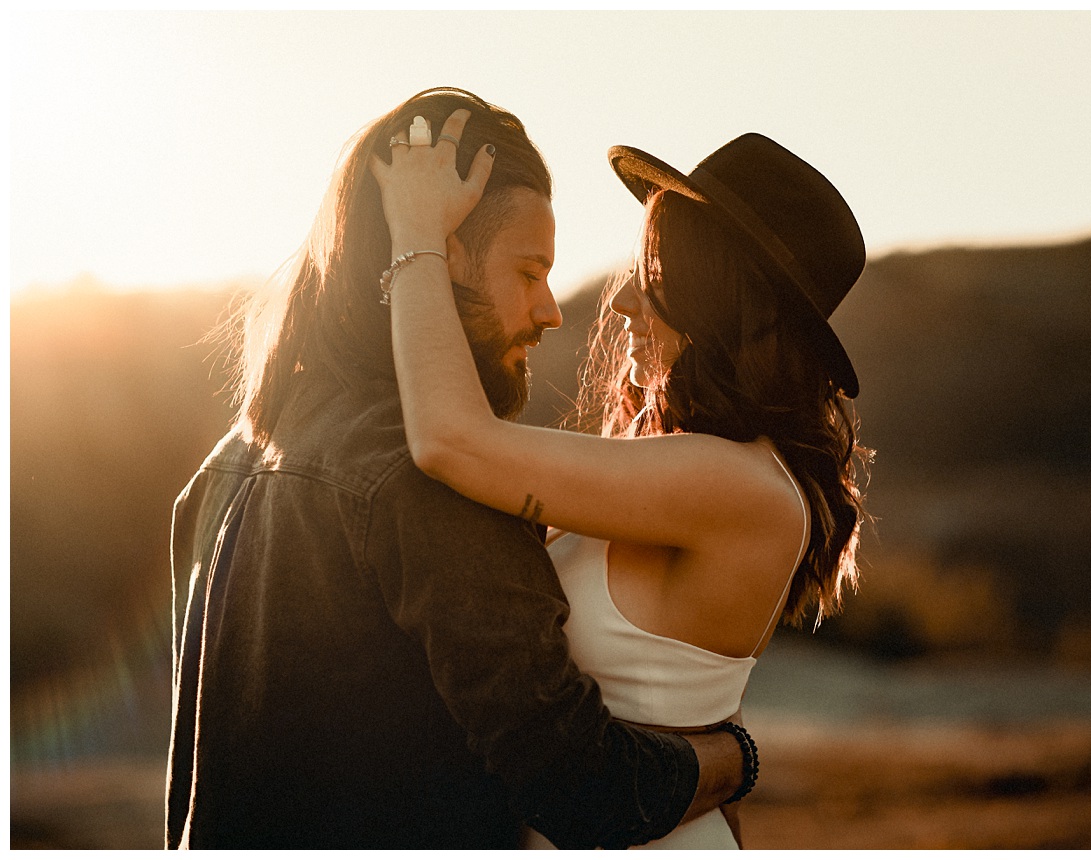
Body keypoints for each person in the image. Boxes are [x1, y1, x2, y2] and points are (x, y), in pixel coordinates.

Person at [165, 87, 751, 850]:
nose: (550, 310)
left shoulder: (228, 462)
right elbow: (586, 791)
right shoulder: (435, 482)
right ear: (431, 263)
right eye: (528, 271)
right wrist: (735, 757)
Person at [378, 112, 872, 848]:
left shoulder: (737, 485)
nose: (620, 304)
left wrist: (414, 236)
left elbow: (452, 440)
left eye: (654, 279)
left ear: (722, 300)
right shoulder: (684, 468)